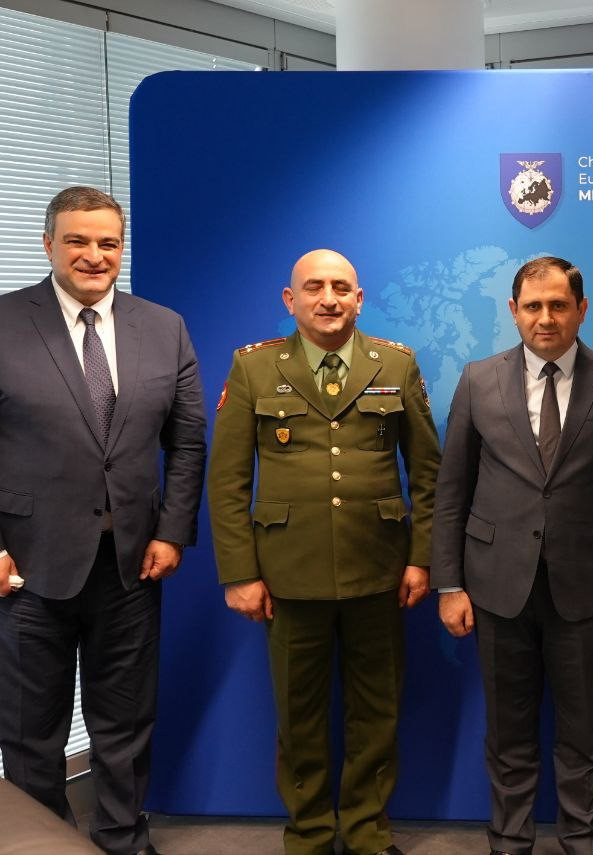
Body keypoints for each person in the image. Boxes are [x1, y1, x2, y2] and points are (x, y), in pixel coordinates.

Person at [0, 186, 207, 855]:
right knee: (31, 733)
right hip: (23, 568)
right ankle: (43, 845)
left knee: (125, 723)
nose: (94, 255)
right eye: (77, 240)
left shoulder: (164, 327)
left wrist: (171, 531)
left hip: (131, 566)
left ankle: (124, 839)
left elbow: (187, 443)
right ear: (49, 244)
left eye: (108, 242)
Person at [207, 249, 440, 855]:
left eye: (341, 288)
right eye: (314, 288)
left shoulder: (396, 363)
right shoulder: (254, 367)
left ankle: (366, 832)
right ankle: (308, 834)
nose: (328, 299)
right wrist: (239, 573)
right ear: (291, 300)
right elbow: (227, 481)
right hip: (289, 571)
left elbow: (428, 474)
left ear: (359, 299)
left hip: (378, 569)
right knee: (298, 714)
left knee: (377, 711)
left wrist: (422, 558)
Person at [431, 256, 593, 855]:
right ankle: (509, 842)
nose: (546, 318)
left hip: (587, 589)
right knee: (507, 732)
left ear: (582, 309)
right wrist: (449, 584)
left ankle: (584, 841)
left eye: (558, 305)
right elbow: (451, 491)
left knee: (582, 733)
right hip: (495, 587)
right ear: (513, 311)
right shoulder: (478, 380)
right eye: (533, 306)